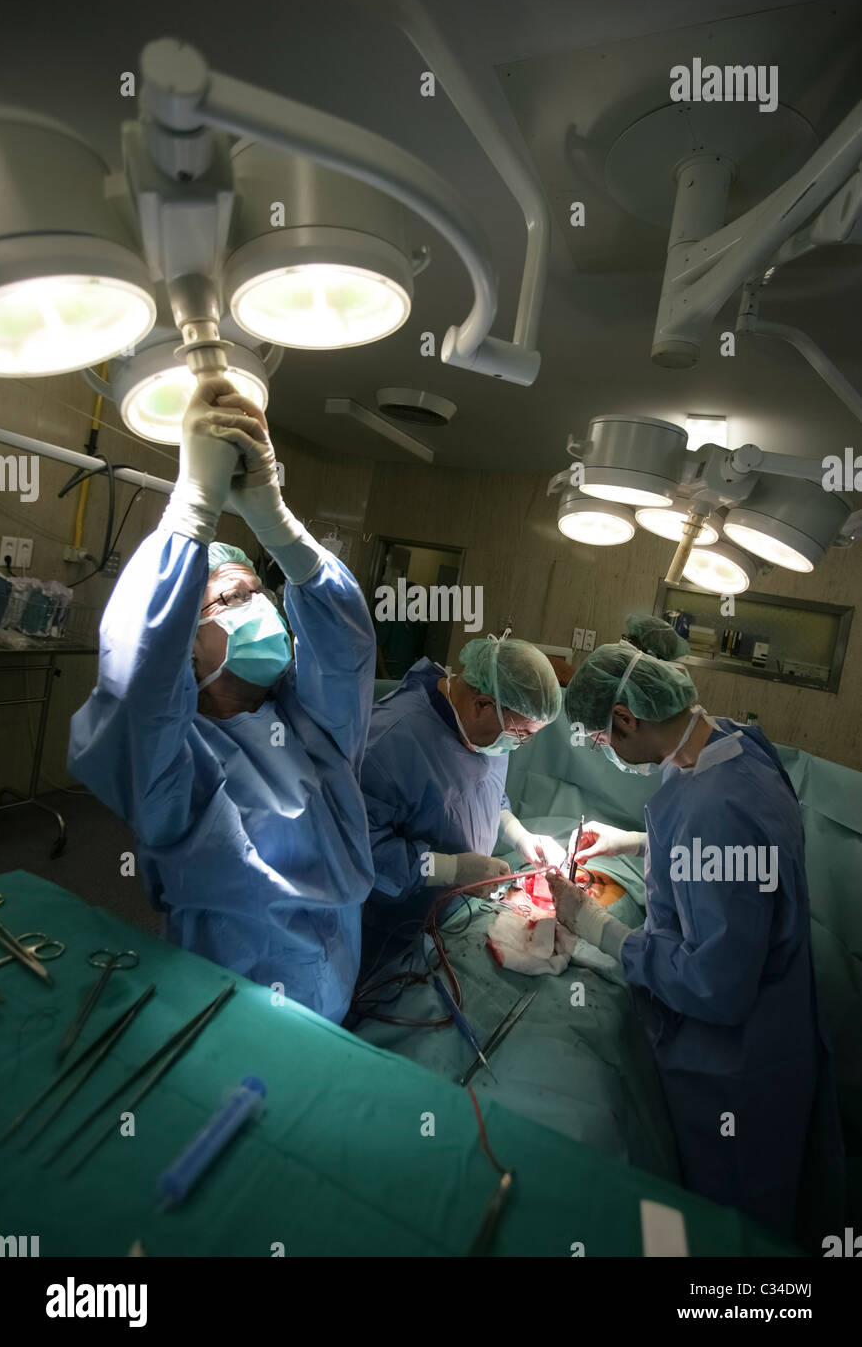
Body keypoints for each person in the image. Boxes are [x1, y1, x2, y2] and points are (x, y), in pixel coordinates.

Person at [69, 380, 376, 1024]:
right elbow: (134, 692)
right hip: (233, 1009)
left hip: (338, 984)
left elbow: (347, 645)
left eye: (260, 591)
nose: (260, 607)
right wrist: (190, 510)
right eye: (232, 601)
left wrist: (278, 523)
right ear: (187, 647)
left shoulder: (313, 726)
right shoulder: (180, 766)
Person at [549, 616, 844, 1242]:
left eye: (604, 741)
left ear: (627, 718)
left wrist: (599, 928)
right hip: (778, 1032)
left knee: (733, 1229)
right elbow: (725, 863)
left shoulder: (715, 811)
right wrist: (638, 839)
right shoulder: (728, 742)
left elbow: (717, 983)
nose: (607, 753)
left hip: (737, 1066)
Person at [360, 635, 564, 901]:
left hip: (458, 909)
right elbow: (360, 850)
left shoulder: (486, 734)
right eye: (520, 733)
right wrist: (449, 869)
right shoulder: (388, 742)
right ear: (482, 705)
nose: (521, 743)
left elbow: (483, 793)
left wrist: (518, 835)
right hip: (398, 924)